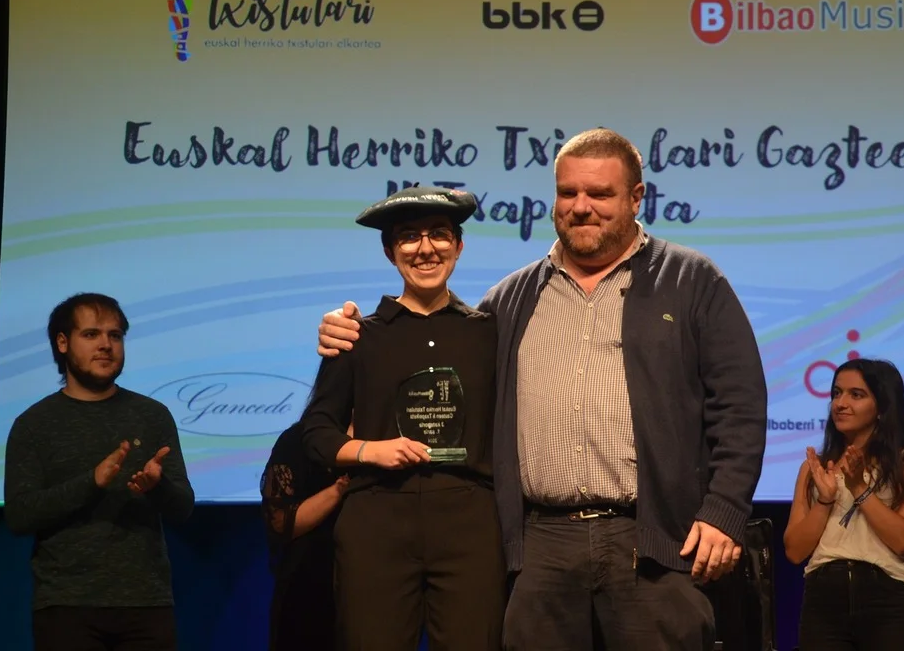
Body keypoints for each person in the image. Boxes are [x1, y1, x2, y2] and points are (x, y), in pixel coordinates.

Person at [314, 128, 769, 650]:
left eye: (600, 193)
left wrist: (723, 512)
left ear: (636, 197)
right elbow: (432, 344)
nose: (581, 206)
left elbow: (740, 406)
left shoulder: (691, 280)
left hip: (652, 543)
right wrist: (344, 328)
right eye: (568, 192)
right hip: (541, 546)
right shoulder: (510, 299)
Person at [301, 186, 504, 651]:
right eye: (409, 236)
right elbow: (317, 432)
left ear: (459, 246)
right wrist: (371, 451)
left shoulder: (488, 333)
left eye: (439, 234)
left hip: (471, 523)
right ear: (390, 252)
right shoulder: (357, 337)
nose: (425, 248)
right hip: (377, 520)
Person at [3, 292, 195, 651]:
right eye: (91, 334)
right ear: (62, 343)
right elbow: (19, 515)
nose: (106, 345)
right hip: (66, 605)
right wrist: (91, 482)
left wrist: (157, 487)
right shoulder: (34, 424)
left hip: (146, 602)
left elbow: (183, 508)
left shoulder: (152, 415)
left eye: (115, 335)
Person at [783, 358, 904, 650]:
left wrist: (859, 488)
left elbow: (902, 540)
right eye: (836, 393)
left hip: (886, 600)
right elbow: (795, 551)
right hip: (824, 601)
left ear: (882, 407)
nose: (840, 403)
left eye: (856, 395)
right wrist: (825, 499)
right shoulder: (814, 469)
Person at [259, 408, 351, 651]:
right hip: (309, 586)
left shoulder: (389, 443)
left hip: (373, 587)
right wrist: (340, 488)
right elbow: (280, 522)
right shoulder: (299, 440)